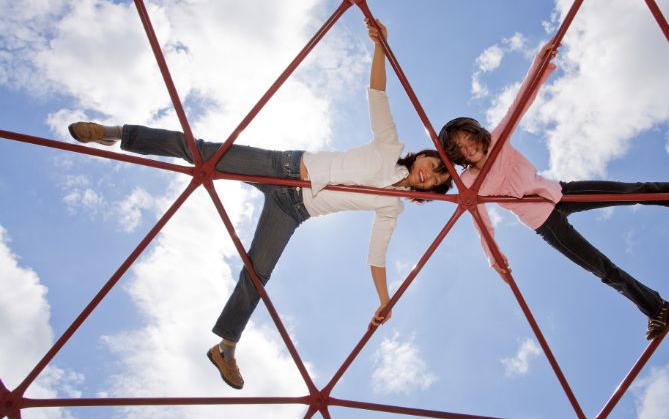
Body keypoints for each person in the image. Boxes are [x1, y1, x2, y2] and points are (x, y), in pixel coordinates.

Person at [68, 19, 452, 389]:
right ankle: (115, 132)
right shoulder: (390, 146)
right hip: (283, 166)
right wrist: (381, 46)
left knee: (258, 273)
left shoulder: (392, 207)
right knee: (201, 151)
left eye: (436, 182)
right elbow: (377, 96)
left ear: (429, 193)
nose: (430, 176)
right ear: (421, 156)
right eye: (433, 167)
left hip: (293, 209)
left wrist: (385, 301)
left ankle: (225, 347)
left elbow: (377, 255)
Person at [438, 38, 669, 340]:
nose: (467, 149)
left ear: (477, 133)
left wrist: (539, 62)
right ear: (455, 156)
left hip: (560, 192)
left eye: (468, 139)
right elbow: (480, 222)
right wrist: (494, 258)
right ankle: (656, 308)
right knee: (601, 267)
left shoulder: (497, 140)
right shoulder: (468, 182)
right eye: (459, 148)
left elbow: (521, 102)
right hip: (545, 224)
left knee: (635, 191)